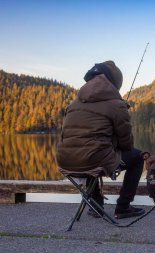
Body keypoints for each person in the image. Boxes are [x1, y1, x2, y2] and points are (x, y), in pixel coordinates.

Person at [56, 60, 145, 219]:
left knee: (89, 154)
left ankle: (96, 205)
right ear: (114, 83)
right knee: (137, 157)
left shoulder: (73, 104)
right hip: (93, 160)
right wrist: (115, 142)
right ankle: (123, 207)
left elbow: (69, 135)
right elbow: (126, 143)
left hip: (65, 161)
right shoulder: (116, 104)